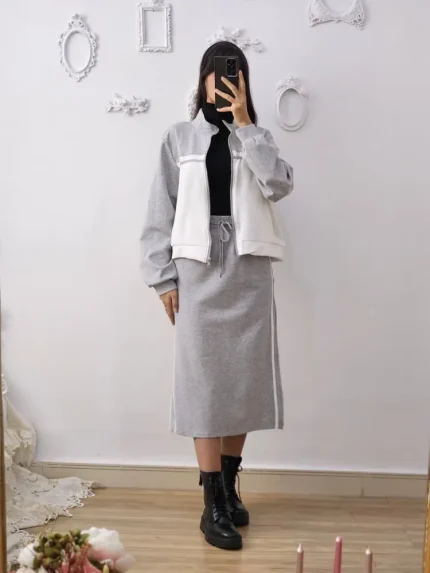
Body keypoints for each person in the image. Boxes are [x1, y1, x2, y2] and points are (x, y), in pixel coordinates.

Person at [140, 41, 294, 551]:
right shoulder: (179, 137)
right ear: (203, 77)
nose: (225, 81)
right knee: (204, 384)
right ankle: (211, 505)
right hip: (198, 269)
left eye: (235, 73)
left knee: (243, 382)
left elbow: (278, 185)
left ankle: (228, 488)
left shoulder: (257, 137)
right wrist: (163, 278)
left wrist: (245, 124)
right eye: (218, 72)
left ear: (243, 82)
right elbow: (158, 212)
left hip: (249, 270)